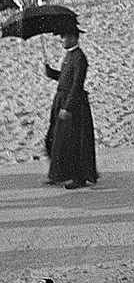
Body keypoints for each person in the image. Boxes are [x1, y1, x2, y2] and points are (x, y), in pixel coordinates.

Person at [43, 22, 97, 189]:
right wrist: (51, 72)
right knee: (57, 139)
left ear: (73, 38)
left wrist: (67, 107)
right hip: (62, 101)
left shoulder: (80, 58)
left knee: (73, 142)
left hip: (73, 105)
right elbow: (65, 77)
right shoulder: (70, 56)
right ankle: (60, 174)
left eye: (64, 37)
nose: (62, 41)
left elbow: (76, 84)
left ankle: (78, 177)